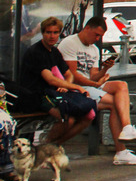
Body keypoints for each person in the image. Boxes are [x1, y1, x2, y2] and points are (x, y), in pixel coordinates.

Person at [59, 16, 136, 165]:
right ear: (87, 28)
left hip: (90, 85)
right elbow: (72, 75)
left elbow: (94, 76)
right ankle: (121, 151)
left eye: (100, 36)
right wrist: (94, 84)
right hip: (75, 88)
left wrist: (105, 69)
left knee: (121, 85)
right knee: (116, 105)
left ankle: (127, 128)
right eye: (96, 34)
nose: (97, 38)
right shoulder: (70, 43)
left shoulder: (94, 49)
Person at [18, 17, 96, 147]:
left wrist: (65, 86)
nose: (52, 36)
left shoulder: (54, 51)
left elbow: (68, 74)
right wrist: (76, 87)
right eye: (48, 32)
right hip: (35, 95)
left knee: (87, 116)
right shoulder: (36, 52)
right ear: (43, 33)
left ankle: (54, 145)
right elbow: (50, 79)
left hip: (52, 94)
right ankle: (45, 146)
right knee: (67, 119)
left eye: (55, 32)